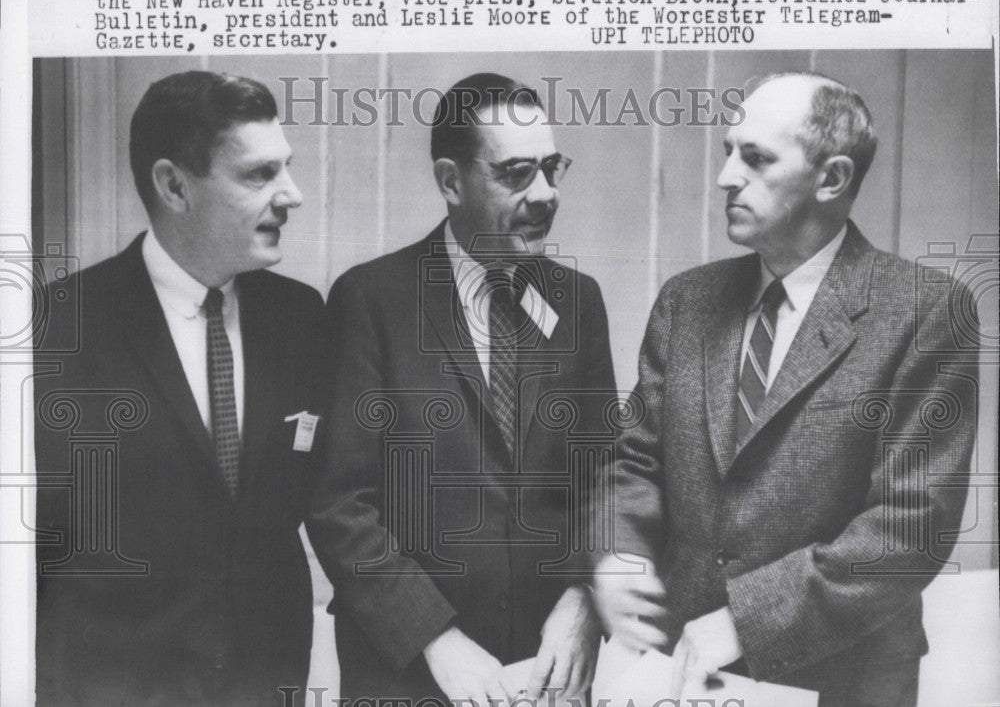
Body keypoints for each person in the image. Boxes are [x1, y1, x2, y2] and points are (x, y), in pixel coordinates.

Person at [592, 72, 978, 706]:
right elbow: (635, 459)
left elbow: (909, 530)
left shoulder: (925, 311)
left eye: (757, 158)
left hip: (843, 679)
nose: (725, 177)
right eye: (728, 152)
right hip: (676, 676)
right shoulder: (687, 302)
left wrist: (747, 620)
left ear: (832, 179)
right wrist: (622, 550)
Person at [307, 73, 617, 704]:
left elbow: (608, 474)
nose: (546, 194)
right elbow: (338, 502)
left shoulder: (578, 301)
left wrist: (586, 598)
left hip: (546, 675)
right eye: (517, 173)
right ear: (450, 181)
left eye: (553, 169)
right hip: (409, 677)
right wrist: (435, 639)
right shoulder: (371, 300)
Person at [34, 70, 328, 706]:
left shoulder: (301, 319)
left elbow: (326, 503)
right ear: (173, 185)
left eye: (288, 168)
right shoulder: (55, 332)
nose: (292, 195)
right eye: (259, 174)